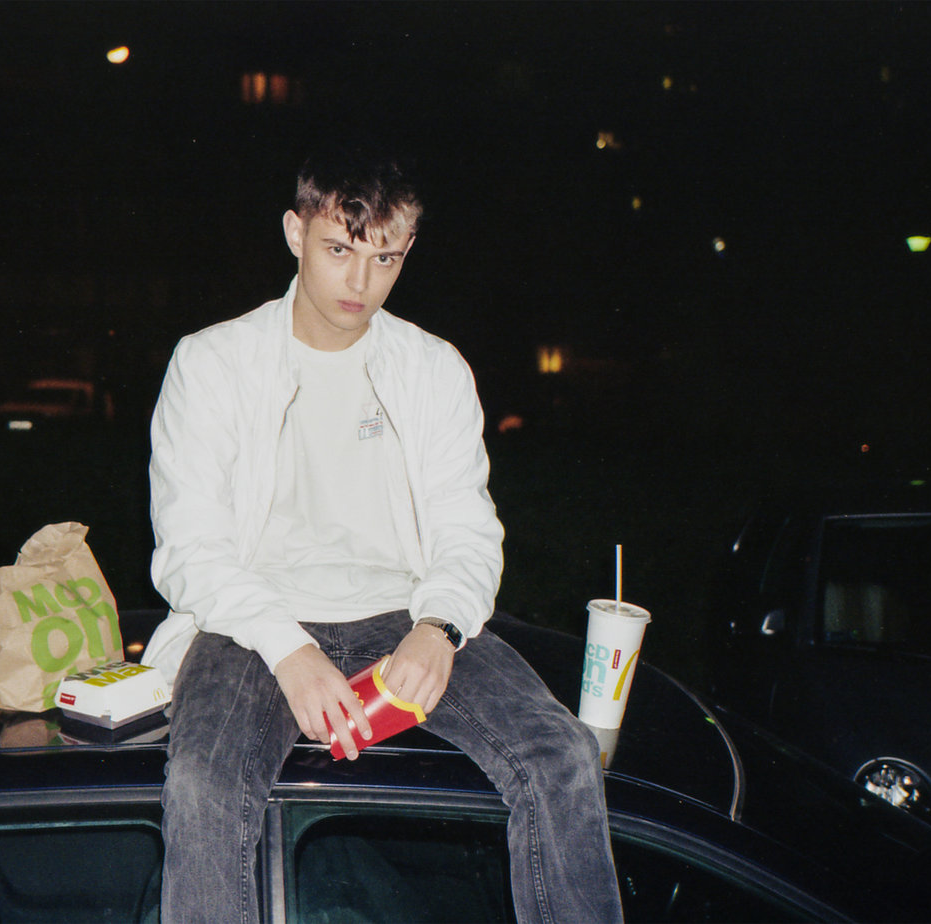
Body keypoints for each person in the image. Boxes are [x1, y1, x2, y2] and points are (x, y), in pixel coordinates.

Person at [142, 145, 622, 923]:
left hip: (402, 612)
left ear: (408, 250)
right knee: (204, 786)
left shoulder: (432, 369)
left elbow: (467, 528)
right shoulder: (213, 363)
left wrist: (440, 627)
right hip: (250, 621)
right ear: (295, 232)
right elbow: (189, 548)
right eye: (340, 250)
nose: (360, 284)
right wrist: (289, 649)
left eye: (386, 259)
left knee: (561, 755)